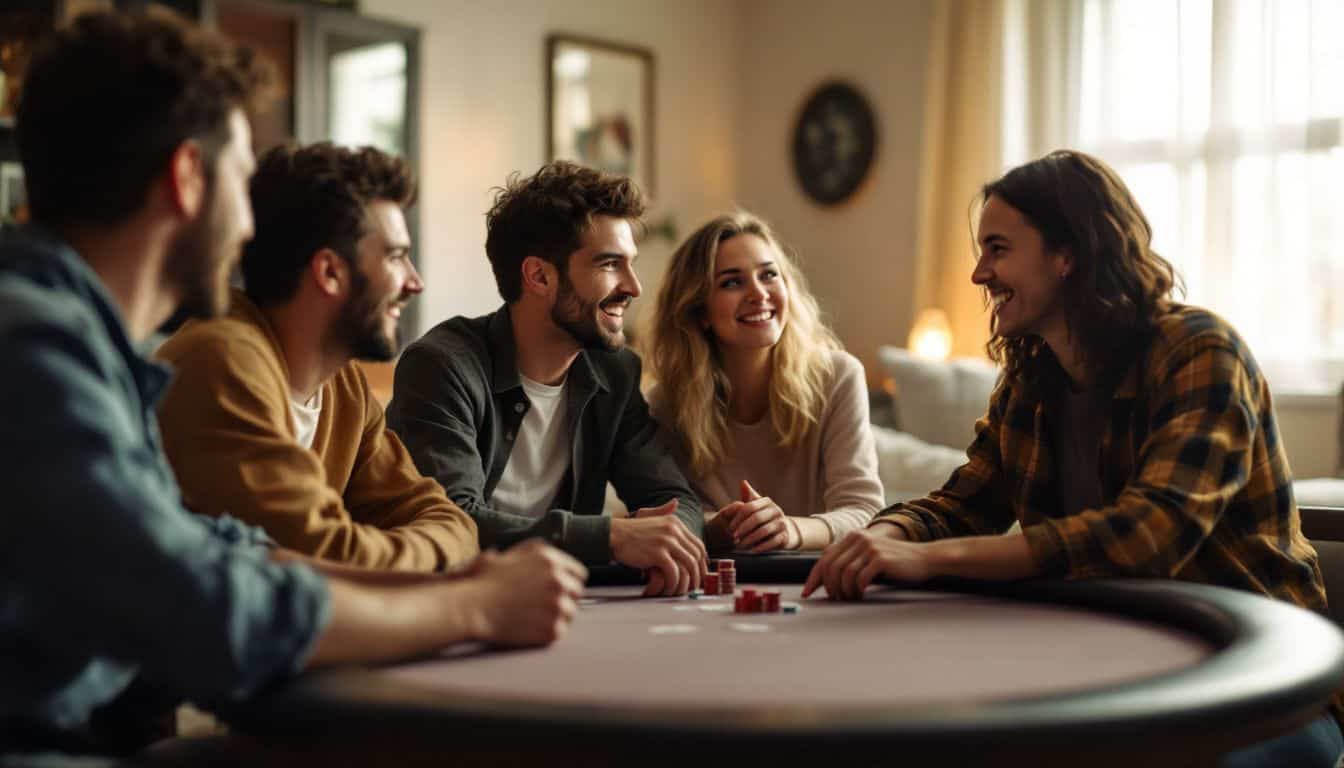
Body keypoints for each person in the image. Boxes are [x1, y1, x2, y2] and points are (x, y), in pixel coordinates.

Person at [0, 11, 583, 761]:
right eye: (241, 180)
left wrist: (464, 585)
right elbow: (207, 609)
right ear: (186, 178)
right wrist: (471, 605)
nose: (249, 228)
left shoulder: (82, 347)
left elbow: (214, 551)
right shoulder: (36, 350)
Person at [802, 150, 1340, 767]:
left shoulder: (1200, 351)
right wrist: (883, 536)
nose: (979, 274)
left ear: (1068, 254)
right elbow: (965, 501)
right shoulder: (1031, 376)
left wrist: (925, 560)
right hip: (1115, 675)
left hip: (1257, 692)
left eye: (998, 248)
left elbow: (1148, 533)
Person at [386, 161, 706, 596]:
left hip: (564, 605)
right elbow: (453, 521)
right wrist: (610, 535)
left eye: (629, 264)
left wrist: (670, 537)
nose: (634, 286)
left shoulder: (615, 372)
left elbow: (673, 497)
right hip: (458, 604)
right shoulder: (442, 366)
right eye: (610, 264)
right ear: (538, 275)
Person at [156, 142, 478, 571]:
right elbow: (319, 557)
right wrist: (433, 561)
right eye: (397, 256)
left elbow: (450, 521)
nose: (414, 282)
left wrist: (408, 552)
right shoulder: (221, 360)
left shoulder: (344, 386)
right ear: (329, 272)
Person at [643, 212, 883, 553]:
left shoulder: (839, 376)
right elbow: (664, 514)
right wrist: (714, 527)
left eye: (769, 275)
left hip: (816, 577)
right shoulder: (665, 405)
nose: (759, 293)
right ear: (700, 312)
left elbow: (865, 511)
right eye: (731, 282)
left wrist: (791, 530)